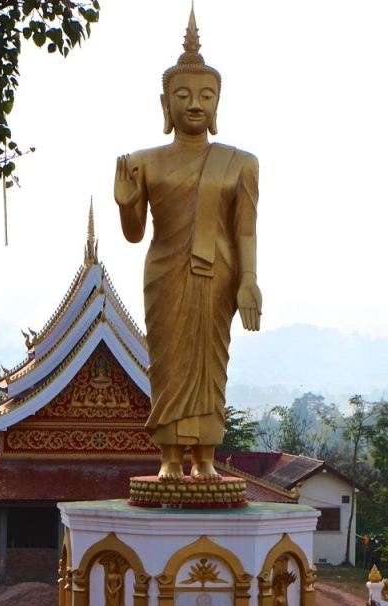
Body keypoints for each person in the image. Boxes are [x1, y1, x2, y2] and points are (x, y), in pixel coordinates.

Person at [115, 7, 262, 483]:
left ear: (218, 103)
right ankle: (169, 460)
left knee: (211, 362)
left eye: (205, 95)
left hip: (216, 276)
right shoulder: (145, 162)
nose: (194, 103)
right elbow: (135, 233)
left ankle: (205, 459)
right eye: (182, 94)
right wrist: (126, 201)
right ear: (165, 104)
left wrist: (249, 280)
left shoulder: (240, 164)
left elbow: (245, 229)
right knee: (170, 364)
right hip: (165, 274)